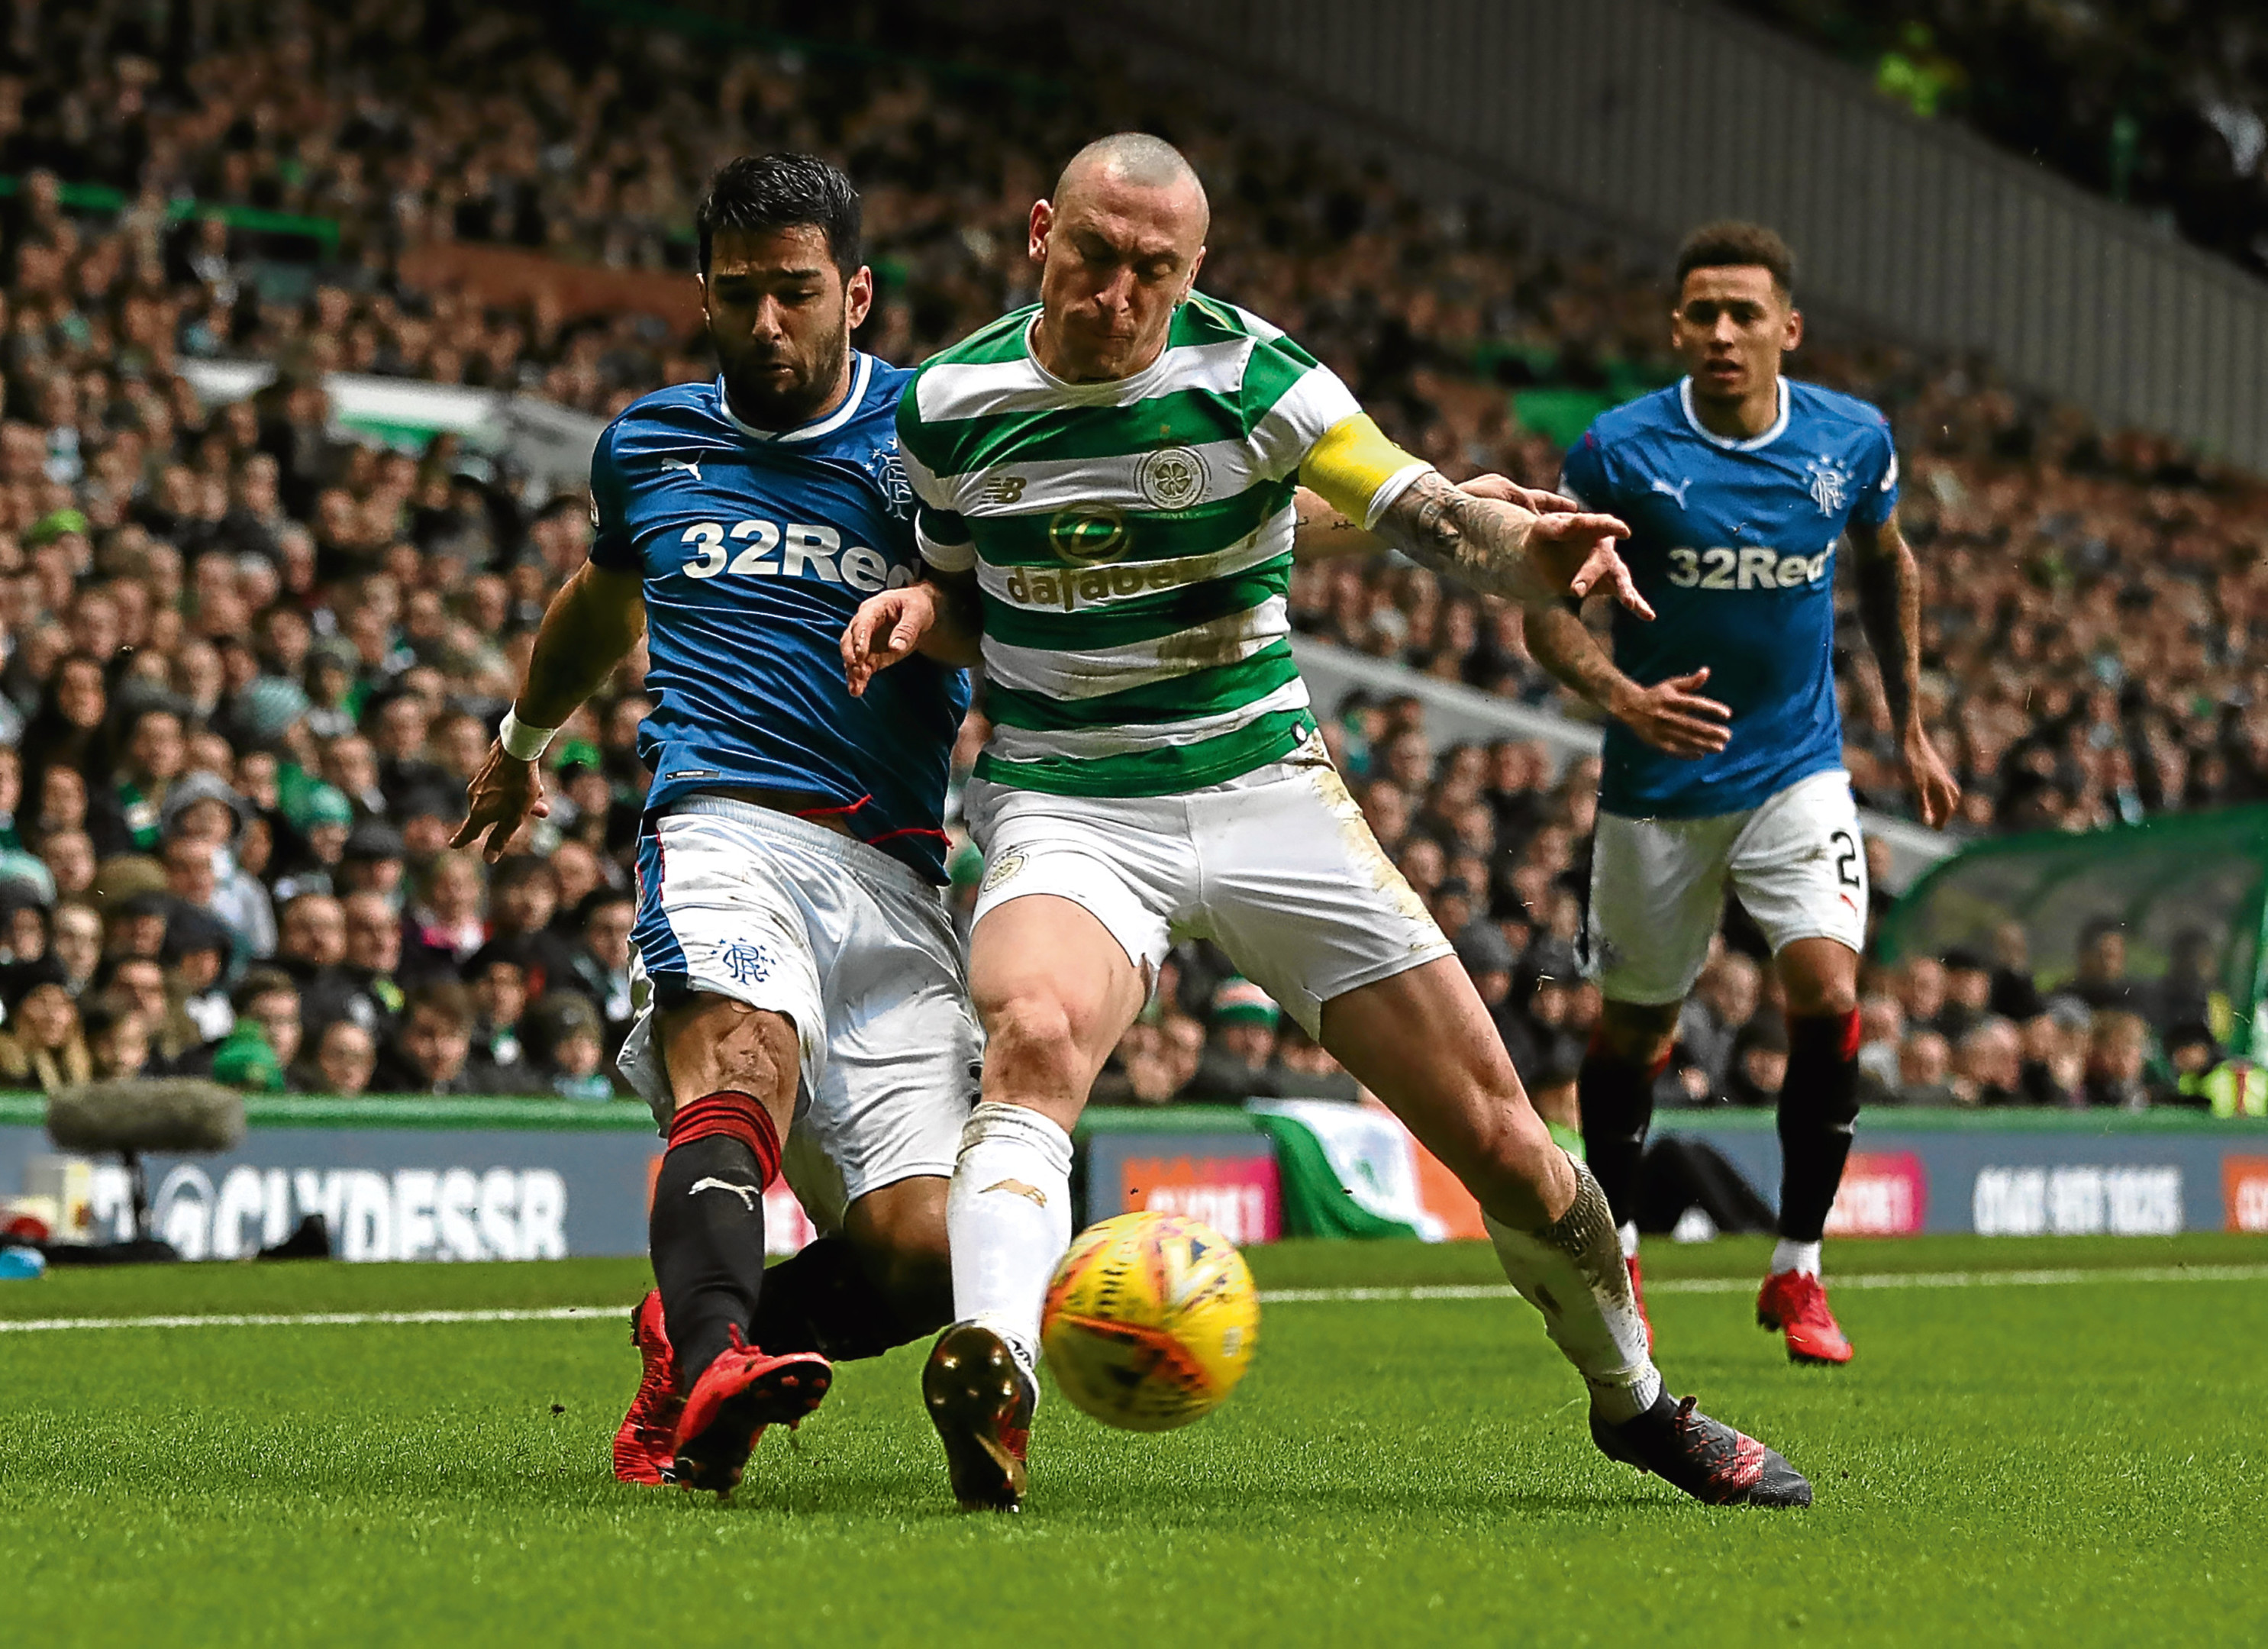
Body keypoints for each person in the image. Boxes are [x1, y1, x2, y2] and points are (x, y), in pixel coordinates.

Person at [853, 134, 1807, 1511]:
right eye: (1094, 258)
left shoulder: (1259, 378)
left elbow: (1419, 511)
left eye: (1153, 271)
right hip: (1068, 801)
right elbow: (969, 589)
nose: (1117, 295)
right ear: (1037, 232)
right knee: (1035, 1035)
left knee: (1504, 1140)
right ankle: (993, 1374)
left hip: (1266, 801)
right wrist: (917, 614)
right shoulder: (950, 402)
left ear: (1197, 272)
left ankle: (1639, 1403)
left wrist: (1520, 554)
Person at [450, 153, 986, 1499]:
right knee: (737, 1067)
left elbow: (1018, 603)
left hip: (901, 870)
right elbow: (599, 601)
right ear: (701, 294)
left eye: (795, 293)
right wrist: (523, 742)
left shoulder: (937, 437)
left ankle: (701, 1346)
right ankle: (710, 1373)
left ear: (854, 294)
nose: (767, 323)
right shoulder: (648, 442)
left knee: (932, 1248)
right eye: (739, 294)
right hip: (727, 821)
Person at [1524, 221, 1960, 1367]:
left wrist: (1909, 726)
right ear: (1676, 328)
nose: (1723, 333)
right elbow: (1544, 612)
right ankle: (1615, 1254)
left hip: (1796, 769)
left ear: (1788, 330)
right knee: (1635, 1033)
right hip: (1658, 786)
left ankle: (1798, 1269)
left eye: (1745, 314)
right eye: (1703, 314)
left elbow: (1889, 562)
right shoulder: (1619, 451)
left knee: (1826, 991)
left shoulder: (1851, 440)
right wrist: (1625, 697)